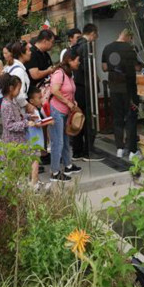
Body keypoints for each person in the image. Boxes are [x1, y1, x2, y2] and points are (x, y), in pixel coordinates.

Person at [0, 75, 48, 188]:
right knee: (16, 167)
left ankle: (29, 184)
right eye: (18, 89)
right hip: (12, 142)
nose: (19, 92)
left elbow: (17, 117)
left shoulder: (12, 102)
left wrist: (28, 117)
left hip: (18, 141)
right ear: (11, 88)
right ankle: (27, 186)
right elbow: (9, 125)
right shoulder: (7, 105)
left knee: (24, 164)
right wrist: (26, 123)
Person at [102, 29, 141, 159]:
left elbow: (104, 67)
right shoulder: (130, 49)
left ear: (120, 34)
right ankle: (132, 151)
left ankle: (120, 148)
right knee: (131, 118)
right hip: (129, 89)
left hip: (114, 88)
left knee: (118, 118)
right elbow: (137, 67)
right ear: (129, 37)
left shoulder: (107, 48)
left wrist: (114, 68)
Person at [48, 50, 83, 182]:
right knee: (58, 142)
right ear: (70, 60)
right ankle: (55, 172)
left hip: (65, 112)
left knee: (65, 139)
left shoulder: (69, 73)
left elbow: (68, 91)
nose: (79, 62)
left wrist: (73, 101)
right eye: (77, 60)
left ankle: (68, 165)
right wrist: (68, 102)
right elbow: (54, 90)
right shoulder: (59, 73)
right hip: (56, 111)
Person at [70, 23, 102, 162]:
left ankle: (77, 151)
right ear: (92, 33)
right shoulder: (86, 46)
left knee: (78, 118)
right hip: (86, 88)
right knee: (89, 119)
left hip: (77, 87)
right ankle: (88, 151)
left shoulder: (74, 47)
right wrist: (95, 79)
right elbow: (88, 69)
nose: (96, 38)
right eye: (96, 35)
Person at [24, 86, 50, 185]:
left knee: (31, 160)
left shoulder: (31, 109)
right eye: (39, 98)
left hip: (31, 139)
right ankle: (34, 182)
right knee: (35, 161)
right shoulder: (34, 110)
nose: (41, 100)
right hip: (35, 140)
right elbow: (38, 123)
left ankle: (33, 180)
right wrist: (50, 121)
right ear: (31, 101)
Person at [7, 40, 31, 109]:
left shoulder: (11, 66)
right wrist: (28, 106)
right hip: (17, 108)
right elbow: (19, 96)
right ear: (22, 53)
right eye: (28, 50)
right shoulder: (19, 71)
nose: (30, 52)